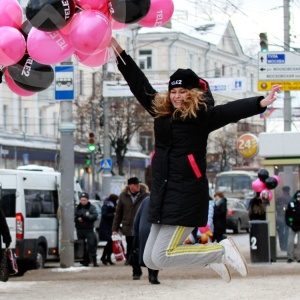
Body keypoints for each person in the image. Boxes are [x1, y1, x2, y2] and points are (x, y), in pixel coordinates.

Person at [109, 37, 281, 283]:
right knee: (149, 259)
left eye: (182, 92)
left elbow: (231, 111)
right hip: (163, 194)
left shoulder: (202, 117)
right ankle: (210, 257)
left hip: (187, 195)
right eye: (173, 91)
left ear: (191, 93)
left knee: (163, 254)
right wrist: (120, 54)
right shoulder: (161, 113)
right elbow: (139, 83)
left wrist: (260, 103)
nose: (177, 96)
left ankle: (221, 251)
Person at [112, 177, 149, 280]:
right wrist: (115, 229)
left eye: (139, 184)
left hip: (142, 228)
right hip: (128, 228)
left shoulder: (145, 196)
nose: (138, 186)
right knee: (131, 251)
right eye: (136, 185)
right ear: (130, 186)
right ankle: (136, 271)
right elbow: (118, 214)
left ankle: (151, 271)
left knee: (143, 249)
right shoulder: (123, 196)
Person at [133, 196, 160, 284]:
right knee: (157, 252)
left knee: (148, 252)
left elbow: (137, 217)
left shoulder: (146, 200)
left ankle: (151, 274)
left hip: (144, 228)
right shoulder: (163, 199)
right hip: (156, 227)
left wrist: (136, 231)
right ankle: (153, 275)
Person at [74, 192, 99, 267]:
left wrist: (86, 217)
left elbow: (94, 215)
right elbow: (74, 215)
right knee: (82, 245)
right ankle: (85, 261)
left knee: (91, 245)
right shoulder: (78, 207)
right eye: (81, 200)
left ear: (87, 200)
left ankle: (94, 261)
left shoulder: (91, 207)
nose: (83, 202)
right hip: (80, 229)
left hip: (89, 229)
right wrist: (78, 218)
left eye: (84, 200)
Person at [99, 194, 119, 265]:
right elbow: (104, 215)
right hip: (106, 226)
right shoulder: (106, 206)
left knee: (111, 243)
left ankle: (106, 257)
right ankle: (105, 257)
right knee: (110, 242)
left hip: (111, 226)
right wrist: (113, 214)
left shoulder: (113, 205)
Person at [285, 190, 300, 263]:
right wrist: (289, 224)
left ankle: (299, 258)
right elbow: (287, 215)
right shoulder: (291, 204)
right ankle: (290, 257)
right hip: (292, 226)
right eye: (298, 197)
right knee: (290, 242)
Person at [276, 186, 292, 251]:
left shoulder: (279, 198)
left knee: (281, 232)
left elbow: (275, 207)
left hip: (280, 218)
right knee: (287, 232)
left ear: (283, 191)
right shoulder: (291, 198)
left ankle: (282, 246)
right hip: (288, 218)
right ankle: (285, 245)